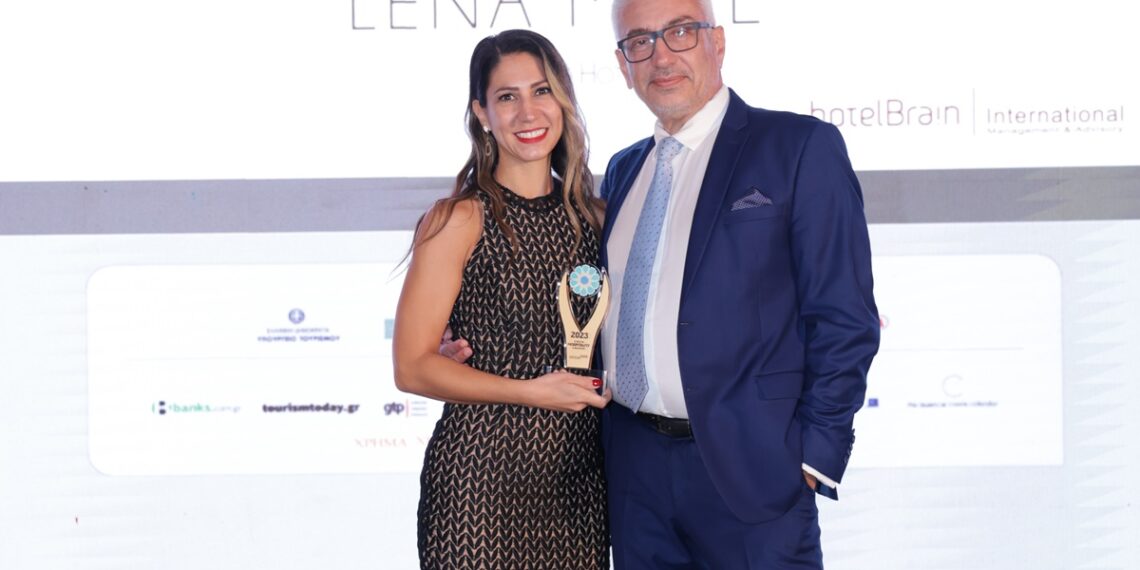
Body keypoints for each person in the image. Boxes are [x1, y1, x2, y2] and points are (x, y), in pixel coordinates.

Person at [597, 0, 880, 567]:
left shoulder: (798, 147)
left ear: (718, 43)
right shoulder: (623, 169)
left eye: (680, 32)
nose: (661, 57)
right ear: (624, 65)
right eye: (640, 41)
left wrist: (813, 456)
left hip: (755, 475)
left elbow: (843, 315)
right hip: (634, 476)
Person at [392, 30, 611, 569]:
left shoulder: (599, 220)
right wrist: (531, 392)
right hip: (479, 487)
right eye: (507, 97)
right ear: (482, 113)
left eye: (541, 91)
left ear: (563, 100)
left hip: (578, 492)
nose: (527, 112)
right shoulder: (459, 220)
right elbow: (412, 368)